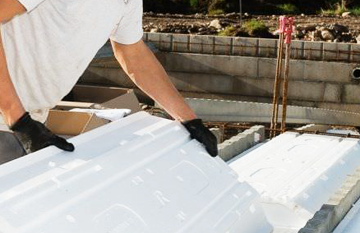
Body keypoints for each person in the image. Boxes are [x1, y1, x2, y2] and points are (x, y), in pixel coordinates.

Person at [0, 0, 217, 164]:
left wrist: (190, 120)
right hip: (10, 119)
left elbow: (132, 53)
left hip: (27, 121)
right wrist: (16, 117)